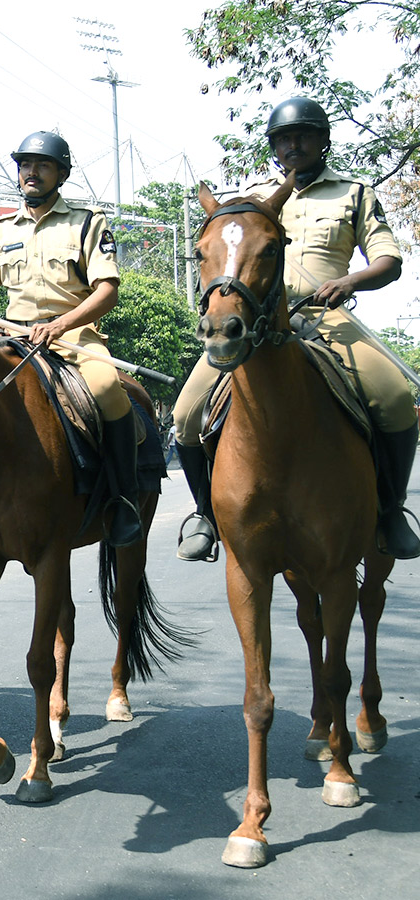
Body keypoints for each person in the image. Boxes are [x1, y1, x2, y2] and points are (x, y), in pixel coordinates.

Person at [172, 96, 418, 561]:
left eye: (303, 136)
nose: (293, 145)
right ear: (273, 147)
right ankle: (205, 513)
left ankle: (390, 511)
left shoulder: (354, 192)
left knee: (394, 397)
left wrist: (349, 281)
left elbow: (389, 261)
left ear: (323, 142)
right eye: (283, 138)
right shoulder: (254, 199)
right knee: (185, 414)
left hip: (329, 317)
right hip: (260, 323)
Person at [0, 131, 141, 547]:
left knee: (107, 388)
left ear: (60, 174)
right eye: (25, 164)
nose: (31, 172)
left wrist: (61, 326)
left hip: (74, 336)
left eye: (42, 165)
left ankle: (122, 500)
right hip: (13, 336)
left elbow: (106, 290)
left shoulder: (87, 222)